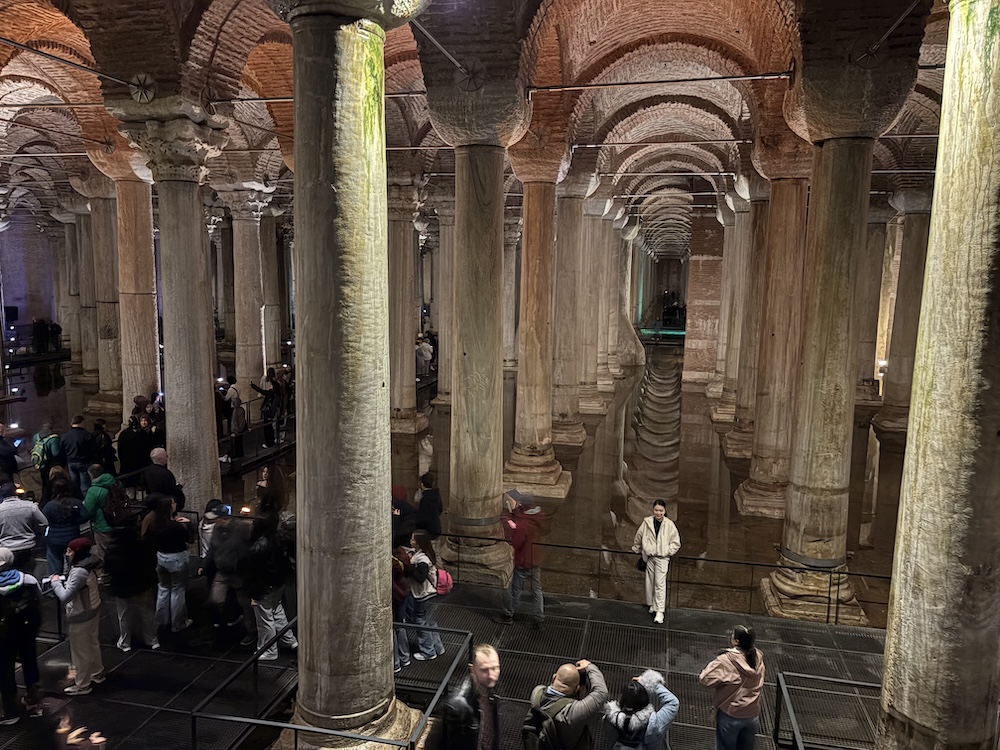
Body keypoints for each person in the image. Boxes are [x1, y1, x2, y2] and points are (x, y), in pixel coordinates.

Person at [50, 537, 104, 695]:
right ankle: (97, 672)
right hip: (93, 608)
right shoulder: (90, 563)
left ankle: (82, 684)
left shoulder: (79, 572)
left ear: (77, 553)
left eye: (70, 551)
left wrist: (55, 583)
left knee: (80, 652)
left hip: (80, 615)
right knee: (92, 643)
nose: (67, 554)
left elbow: (65, 596)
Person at [699, 626, 765, 750]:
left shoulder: (726, 661)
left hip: (731, 715)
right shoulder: (758, 656)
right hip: (752, 713)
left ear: (736, 641)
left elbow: (705, 679)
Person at [245, 507, 297, 661]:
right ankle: (290, 640)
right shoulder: (279, 539)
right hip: (276, 583)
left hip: (264, 586)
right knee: (277, 611)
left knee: (265, 618)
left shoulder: (260, 545)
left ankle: (268, 650)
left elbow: (255, 570)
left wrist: (254, 593)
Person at [431, 643, 501, 750]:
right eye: (484, 670)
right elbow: (440, 744)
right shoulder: (456, 706)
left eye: (495, 668)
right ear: (472, 669)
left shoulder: (491, 689)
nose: (491, 675)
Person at [527, 659, 609, 750]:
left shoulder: (537, 692)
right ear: (577, 689)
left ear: (554, 677)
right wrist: (590, 666)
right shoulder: (573, 712)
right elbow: (601, 693)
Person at [0, 547, 42, 724]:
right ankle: (33, 700)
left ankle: (10, 710)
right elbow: (39, 600)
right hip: (26, 629)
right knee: (29, 660)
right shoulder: (28, 579)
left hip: (3, 633)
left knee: (5, 668)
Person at [493, 491, 547, 628]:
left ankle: (508, 614)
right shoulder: (539, 517)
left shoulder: (524, 524)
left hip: (523, 560)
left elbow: (517, 543)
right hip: (535, 559)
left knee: (515, 589)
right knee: (537, 591)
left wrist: (512, 528)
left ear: (523, 505)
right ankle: (539, 618)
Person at [140, 494, 193, 632]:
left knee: (163, 589)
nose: (175, 504)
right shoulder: (176, 527)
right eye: (173, 503)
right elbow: (189, 539)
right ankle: (178, 623)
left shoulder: (154, 524)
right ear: (169, 508)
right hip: (177, 559)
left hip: (162, 558)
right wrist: (187, 524)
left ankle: (161, 621)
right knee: (177, 590)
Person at [103, 522, 158, 652]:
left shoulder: (111, 550)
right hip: (141, 584)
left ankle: (125, 642)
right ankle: (152, 640)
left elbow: (108, 568)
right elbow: (152, 562)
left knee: (124, 614)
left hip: (122, 586)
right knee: (147, 612)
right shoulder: (142, 546)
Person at [602, 670, 680, 750]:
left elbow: (612, 738)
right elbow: (673, 702)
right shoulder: (654, 724)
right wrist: (647, 681)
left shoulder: (609, 718)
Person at [631, 499, 680, 624]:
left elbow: (676, 543)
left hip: (662, 558)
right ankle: (653, 604)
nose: (658, 513)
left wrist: (666, 551)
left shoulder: (669, 525)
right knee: (651, 582)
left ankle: (660, 611)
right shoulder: (647, 522)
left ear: (665, 511)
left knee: (660, 584)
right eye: (656, 510)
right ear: (653, 510)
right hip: (650, 556)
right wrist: (637, 548)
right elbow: (639, 535)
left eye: (661, 510)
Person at [407, 528, 445, 661]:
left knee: (421, 622)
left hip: (423, 595)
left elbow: (421, 577)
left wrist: (409, 567)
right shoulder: (423, 554)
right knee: (430, 622)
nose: (411, 540)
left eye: (413, 539)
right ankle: (438, 647)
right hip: (429, 594)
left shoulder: (422, 559)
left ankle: (428, 651)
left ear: (418, 542)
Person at [41, 478, 89, 576]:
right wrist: (75, 522)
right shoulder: (76, 502)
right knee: (76, 562)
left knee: (54, 563)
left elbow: (43, 521)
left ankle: (56, 580)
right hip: (73, 537)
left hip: (54, 540)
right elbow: (85, 517)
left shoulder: (49, 506)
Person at [0, 481, 47, 572]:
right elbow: (44, 523)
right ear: (15, 492)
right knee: (29, 573)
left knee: (10, 576)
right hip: (28, 546)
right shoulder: (30, 506)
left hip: (7, 549)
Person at [83, 464, 116, 564]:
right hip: (119, 521)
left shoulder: (93, 491)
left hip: (102, 525)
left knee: (105, 554)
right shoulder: (115, 483)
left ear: (91, 475)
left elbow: (89, 510)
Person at [391, 527, 412, 674]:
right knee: (401, 625)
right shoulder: (403, 554)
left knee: (392, 629)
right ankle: (405, 657)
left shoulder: (391, 561)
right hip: (404, 591)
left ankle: (395, 663)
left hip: (394, 594)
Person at [61, 416, 94, 495]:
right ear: (82, 422)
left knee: (74, 485)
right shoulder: (87, 435)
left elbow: (62, 450)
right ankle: (86, 500)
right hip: (84, 462)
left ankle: (75, 499)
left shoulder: (65, 436)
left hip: (71, 462)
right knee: (85, 486)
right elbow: (93, 449)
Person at [117, 416, 154, 486]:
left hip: (128, 463)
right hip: (140, 464)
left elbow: (120, 450)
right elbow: (148, 448)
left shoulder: (124, 434)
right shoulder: (142, 434)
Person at [31, 422, 62, 498]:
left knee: (44, 482)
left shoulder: (36, 436)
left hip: (41, 463)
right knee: (52, 481)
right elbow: (55, 453)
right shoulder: (54, 438)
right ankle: (51, 497)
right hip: (51, 464)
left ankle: (44, 497)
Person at [416, 472, 443, 538]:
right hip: (436, 528)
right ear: (433, 483)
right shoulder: (436, 496)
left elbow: (422, 517)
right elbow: (440, 509)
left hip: (427, 531)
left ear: (422, 485)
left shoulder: (424, 499)